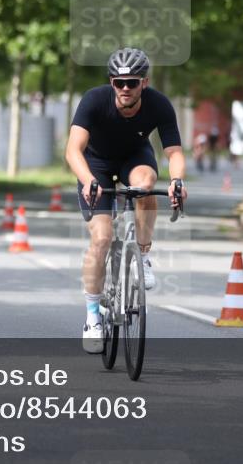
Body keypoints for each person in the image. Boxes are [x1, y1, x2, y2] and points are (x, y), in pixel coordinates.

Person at [65, 47, 187, 353]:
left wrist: (177, 181)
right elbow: (73, 150)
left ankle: (142, 255)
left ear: (144, 82)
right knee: (101, 238)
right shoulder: (94, 100)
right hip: (96, 165)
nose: (125, 88)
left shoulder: (159, 104)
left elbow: (174, 152)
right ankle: (93, 317)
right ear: (111, 82)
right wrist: (88, 180)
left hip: (134, 158)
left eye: (132, 82)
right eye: (118, 82)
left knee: (145, 185)